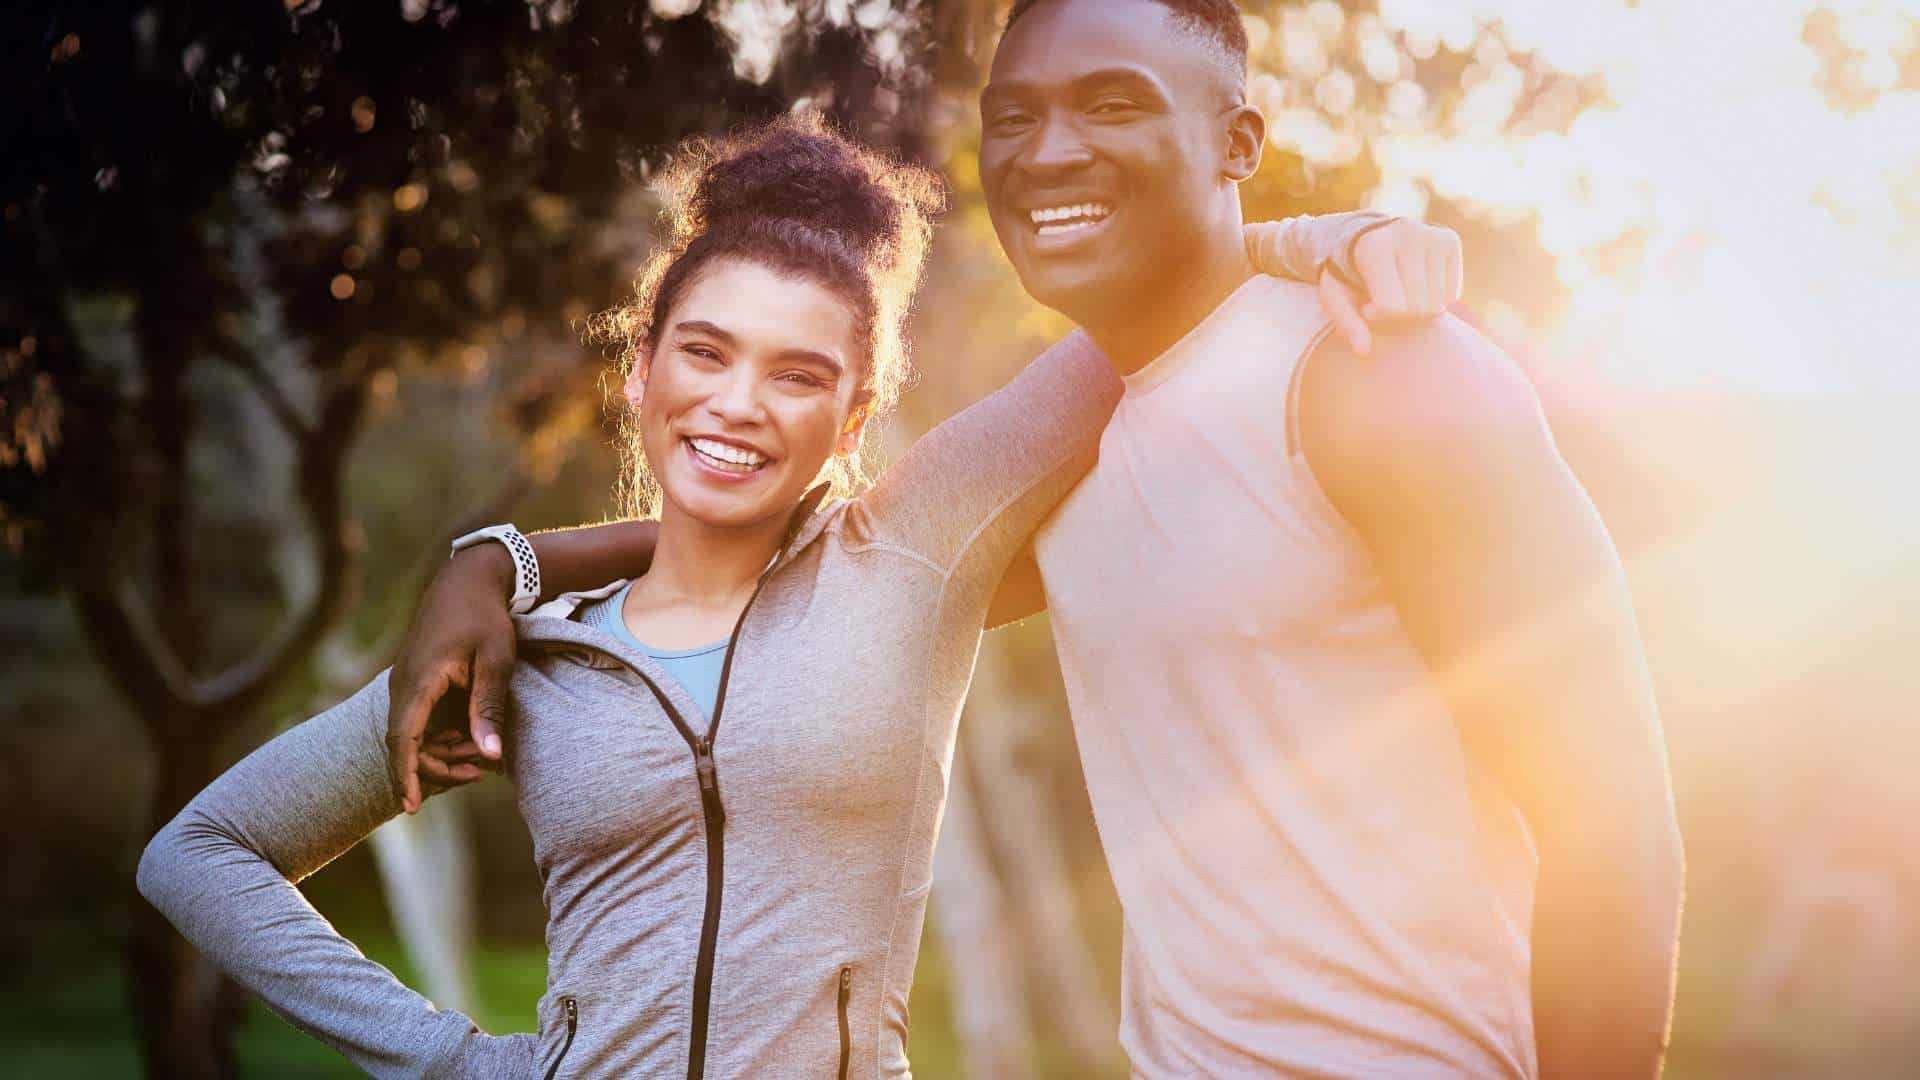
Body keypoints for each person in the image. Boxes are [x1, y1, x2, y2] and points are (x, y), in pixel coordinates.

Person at [394, 2, 1685, 1077]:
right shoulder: (1070, 446)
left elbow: (1614, 823)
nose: (1047, 151)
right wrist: (495, 559)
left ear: (1238, 140)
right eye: (1014, 117)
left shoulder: (1379, 376)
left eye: (1114, 105)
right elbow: (796, 547)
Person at [137, 113, 1450, 1077]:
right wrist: (456, 1062)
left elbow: (1150, 311)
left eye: (796, 374)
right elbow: (199, 855)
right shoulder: (522, 657)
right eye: (703, 353)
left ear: (853, 417)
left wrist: (1325, 236)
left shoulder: (914, 554)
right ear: (641, 373)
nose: (737, 404)